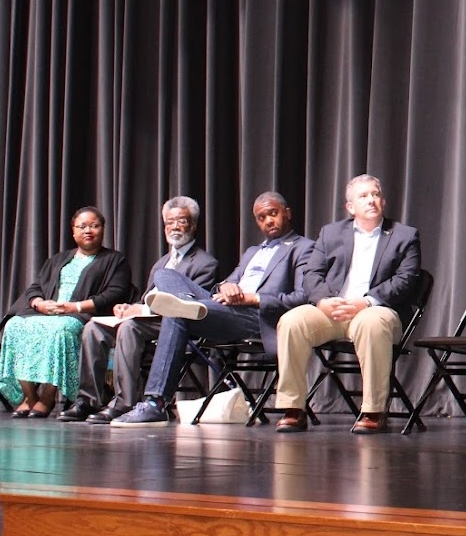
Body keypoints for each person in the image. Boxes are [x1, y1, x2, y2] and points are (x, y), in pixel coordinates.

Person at [100, 192, 315, 427]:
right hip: (222, 307)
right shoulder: (253, 252)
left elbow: (302, 297)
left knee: (177, 313)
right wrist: (227, 286)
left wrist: (252, 298)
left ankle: (156, 403)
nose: (268, 221)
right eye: (261, 217)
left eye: (273, 214)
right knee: (166, 275)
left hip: (258, 316)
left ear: (287, 213)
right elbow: (221, 285)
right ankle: (185, 302)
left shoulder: (303, 248)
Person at [272, 174, 422, 434]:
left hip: (376, 310)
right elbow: (312, 274)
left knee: (372, 323)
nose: (371, 200)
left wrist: (366, 302)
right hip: (333, 309)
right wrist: (322, 302)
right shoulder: (330, 233)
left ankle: (374, 411)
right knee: (292, 321)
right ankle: (293, 408)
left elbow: (406, 279)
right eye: (363, 196)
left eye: (375, 194)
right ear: (350, 207)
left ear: (383, 202)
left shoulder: (404, 236)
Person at [69, 196, 220, 424]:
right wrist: (129, 307)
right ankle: (88, 400)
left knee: (130, 328)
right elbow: (147, 299)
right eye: (169, 222)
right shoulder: (161, 263)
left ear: (194, 225)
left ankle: (125, 402)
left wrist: (140, 312)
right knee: (94, 327)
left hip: (179, 323)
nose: (175, 227)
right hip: (149, 321)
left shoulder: (205, 263)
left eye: (181, 221)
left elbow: (192, 305)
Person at [0, 207, 134, 417]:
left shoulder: (115, 260)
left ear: (102, 229)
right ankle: (30, 397)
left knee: (61, 329)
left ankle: (47, 397)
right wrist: (39, 304)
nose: (88, 230)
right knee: (14, 325)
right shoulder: (59, 259)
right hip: (47, 313)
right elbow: (36, 287)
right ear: (73, 232)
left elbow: (115, 293)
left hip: (80, 316)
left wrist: (75, 307)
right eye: (82, 226)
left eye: (94, 226)